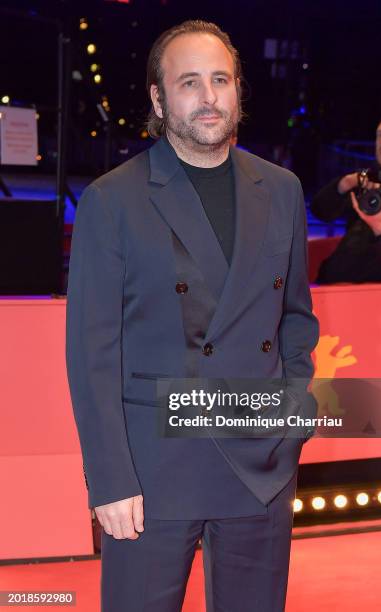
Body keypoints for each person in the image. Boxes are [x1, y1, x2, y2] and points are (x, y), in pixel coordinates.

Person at [66, 20, 319, 612]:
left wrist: (289, 423)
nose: (208, 97)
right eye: (189, 82)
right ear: (158, 97)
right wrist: (110, 479)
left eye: (221, 80)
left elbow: (296, 320)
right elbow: (92, 355)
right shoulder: (113, 199)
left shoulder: (281, 189)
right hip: (152, 475)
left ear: (237, 90)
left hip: (260, 464)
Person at [311, 109, 381, 283]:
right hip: (331, 288)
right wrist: (346, 182)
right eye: (380, 134)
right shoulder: (368, 181)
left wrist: (380, 228)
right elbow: (320, 211)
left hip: (378, 299)